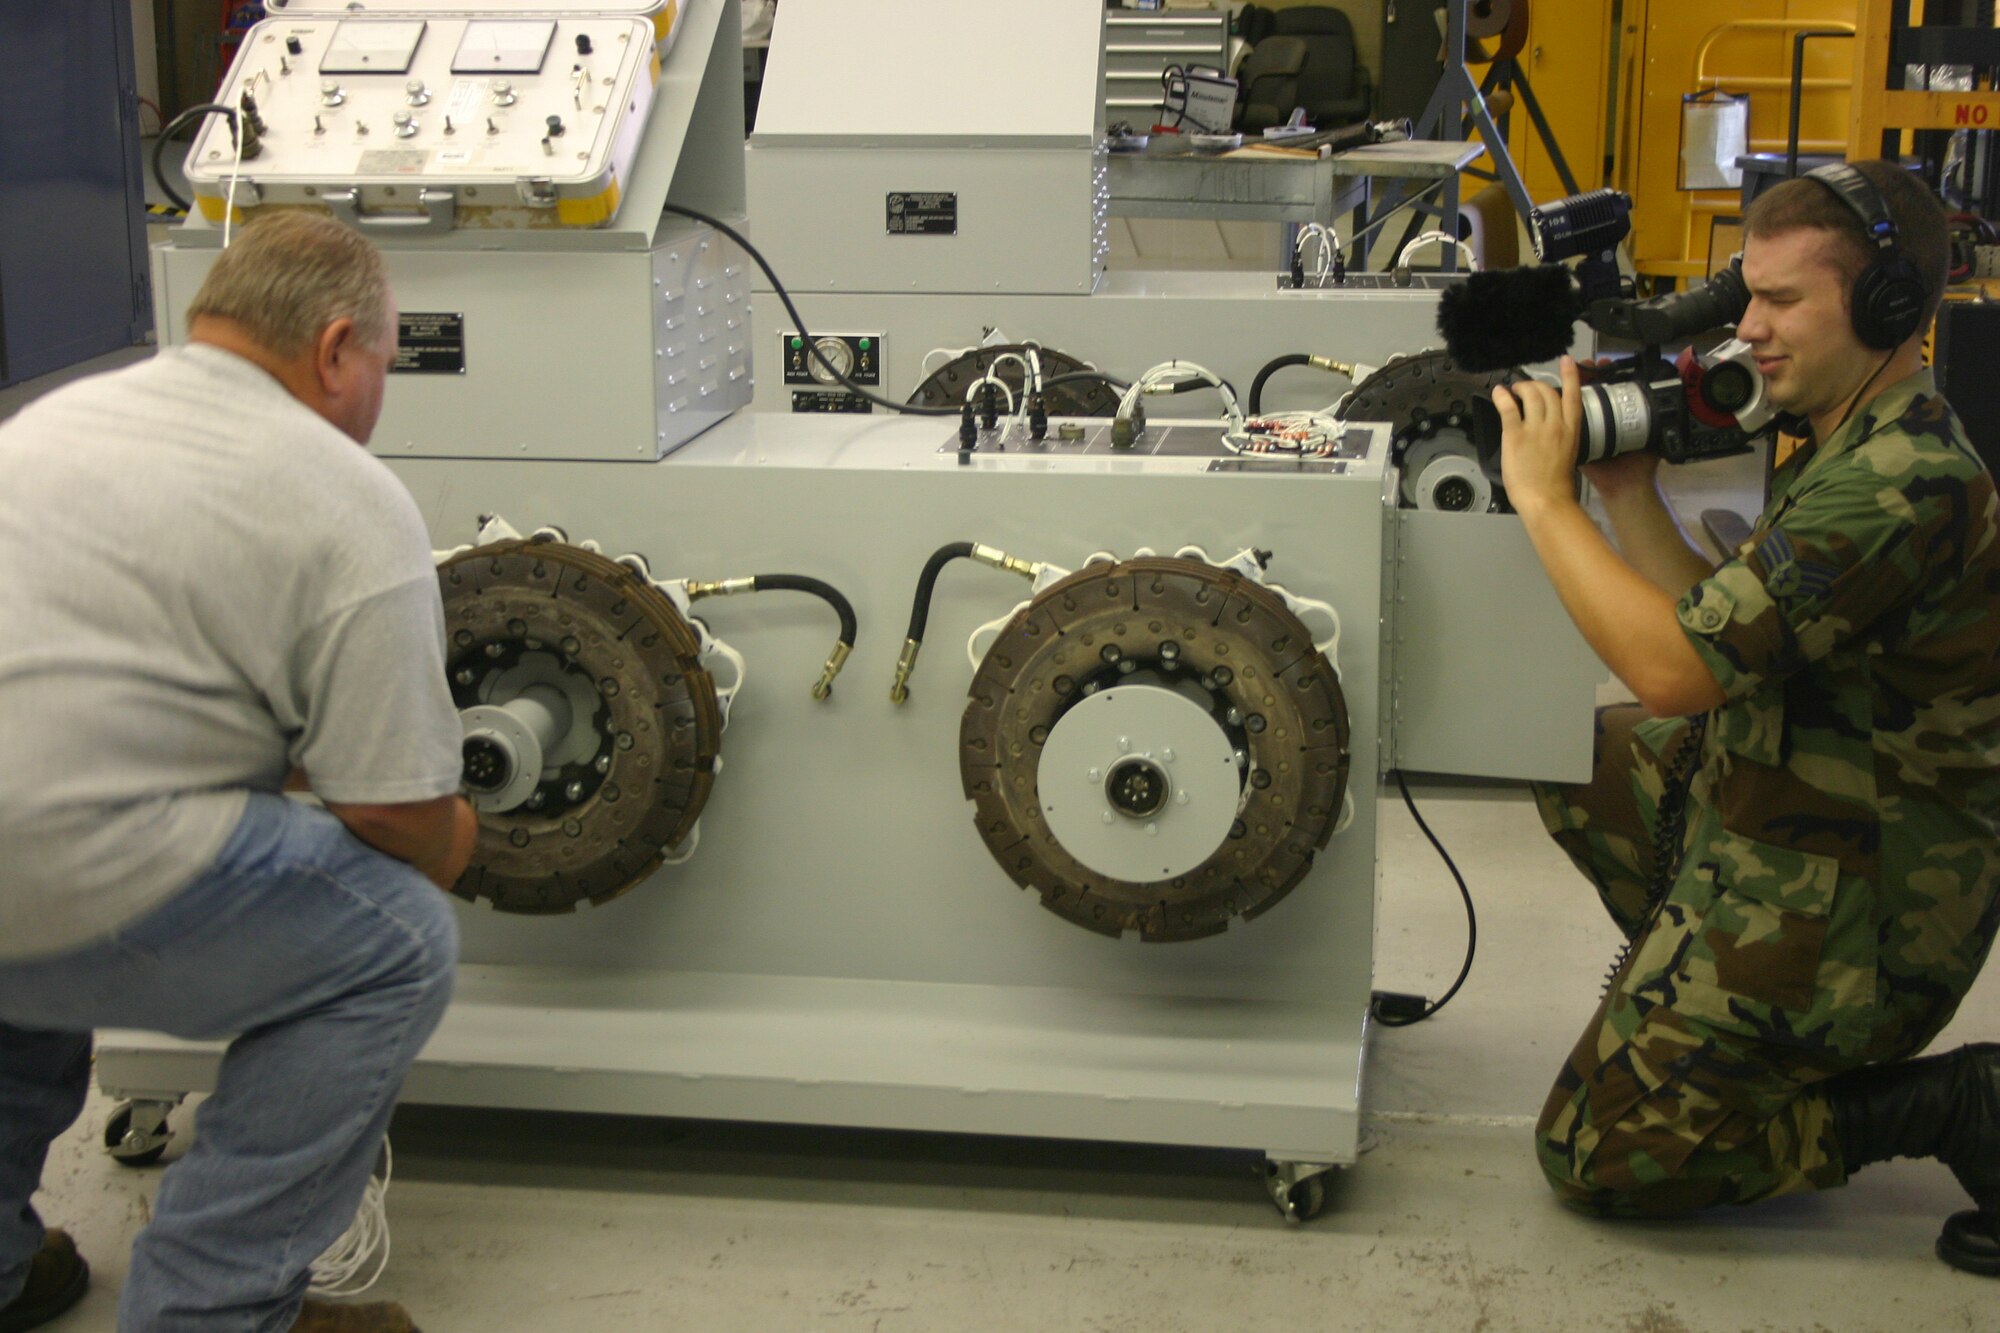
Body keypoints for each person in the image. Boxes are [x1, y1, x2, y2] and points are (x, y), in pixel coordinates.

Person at [1493, 160, 2000, 1275]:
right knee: (1569, 749)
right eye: (1745, 296)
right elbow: (1719, 629)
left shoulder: (1899, 481)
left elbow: (1676, 669)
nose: (1747, 332)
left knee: (1600, 1152)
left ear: (1884, 308)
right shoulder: (1847, 432)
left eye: (1780, 304)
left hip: (1871, 898)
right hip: (1797, 793)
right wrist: (1625, 496)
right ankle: (1721, 1009)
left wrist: (1541, 496)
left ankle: (1945, 1104)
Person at [0, 212, 477, 1331]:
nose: (377, 393)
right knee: (400, 940)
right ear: (335, 347)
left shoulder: (48, 423)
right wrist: (458, 835)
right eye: (385, 366)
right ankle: (211, 1307)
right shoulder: (346, 494)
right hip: (78, 862)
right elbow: (393, 806)